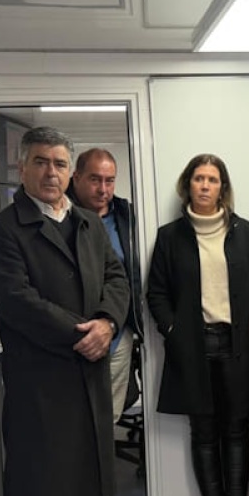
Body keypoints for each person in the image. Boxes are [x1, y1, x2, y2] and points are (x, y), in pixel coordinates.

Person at [0, 127, 130, 496]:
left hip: (90, 378)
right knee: (45, 484)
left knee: (90, 483)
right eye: (41, 162)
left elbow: (116, 278)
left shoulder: (89, 222)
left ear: (70, 173)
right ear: (22, 168)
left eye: (60, 164)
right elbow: (17, 300)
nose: (51, 172)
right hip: (41, 385)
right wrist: (87, 336)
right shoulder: (3, 229)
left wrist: (108, 323)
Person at [147, 153, 249, 496]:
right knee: (203, 433)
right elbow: (156, 293)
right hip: (193, 347)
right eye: (199, 178)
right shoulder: (170, 237)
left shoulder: (246, 233)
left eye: (212, 180)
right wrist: (172, 330)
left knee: (238, 430)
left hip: (238, 346)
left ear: (222, 187)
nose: (205, 186)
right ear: (188, 184)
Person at [68, 148, 144, 423]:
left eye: (109, 181)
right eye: (95, 179)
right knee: (73, 421)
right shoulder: (61, 215)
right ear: (76, 178)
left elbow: (128, 275)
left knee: (107, 419)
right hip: (73, 335)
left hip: (117, 333)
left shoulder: (126, 216)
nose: (103, 189)